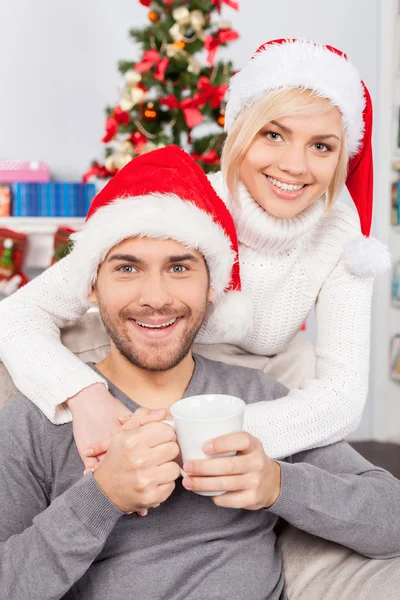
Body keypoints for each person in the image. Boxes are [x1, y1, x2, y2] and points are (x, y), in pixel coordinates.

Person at [1, 147, 399, 600]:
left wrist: (277, 484)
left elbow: (392, 520)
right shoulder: (34, 420)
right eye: (127, 268)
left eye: (179, 268)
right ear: (92, 285)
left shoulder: (260, 398)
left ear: (212, 288)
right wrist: (101, 497)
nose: (156, 297)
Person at [0, 39, 391, 469]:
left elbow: (342, 396)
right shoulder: (180, 204)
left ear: (342, 156)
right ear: (241, 133)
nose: (295, 165)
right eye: (274, 134)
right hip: (141, 363)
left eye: (321, 146)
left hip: (246, 393)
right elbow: (15, 315)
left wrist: (197, 433)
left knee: (298, 361)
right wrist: (83, 395)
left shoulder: (342, 232)